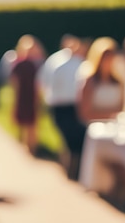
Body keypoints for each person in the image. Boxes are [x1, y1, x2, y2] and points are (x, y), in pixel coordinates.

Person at [39, 34, 86, 179]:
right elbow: (44, 82)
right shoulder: (56, 61)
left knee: (76, 139)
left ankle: (73, 169)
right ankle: (69, 168)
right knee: (67, 138)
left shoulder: (79, 61)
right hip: (59, 104)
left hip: (74, 105)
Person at [77, 37, 125, 124]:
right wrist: (110, 116)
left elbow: (122, 108)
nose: (108, 61)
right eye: (105, 57)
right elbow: (84, 113)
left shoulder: (118, 81)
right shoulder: (89, 81)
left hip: (115, 126)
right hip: (96, 128)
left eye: (111, 56)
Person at [10, 34, 44, 155]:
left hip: (32, 94)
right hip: (23, 94)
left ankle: (32, 145)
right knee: (22, 119)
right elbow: (15, 82)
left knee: (33, 120)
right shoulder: (20, 64)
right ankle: (24, 142)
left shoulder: (37, 63)